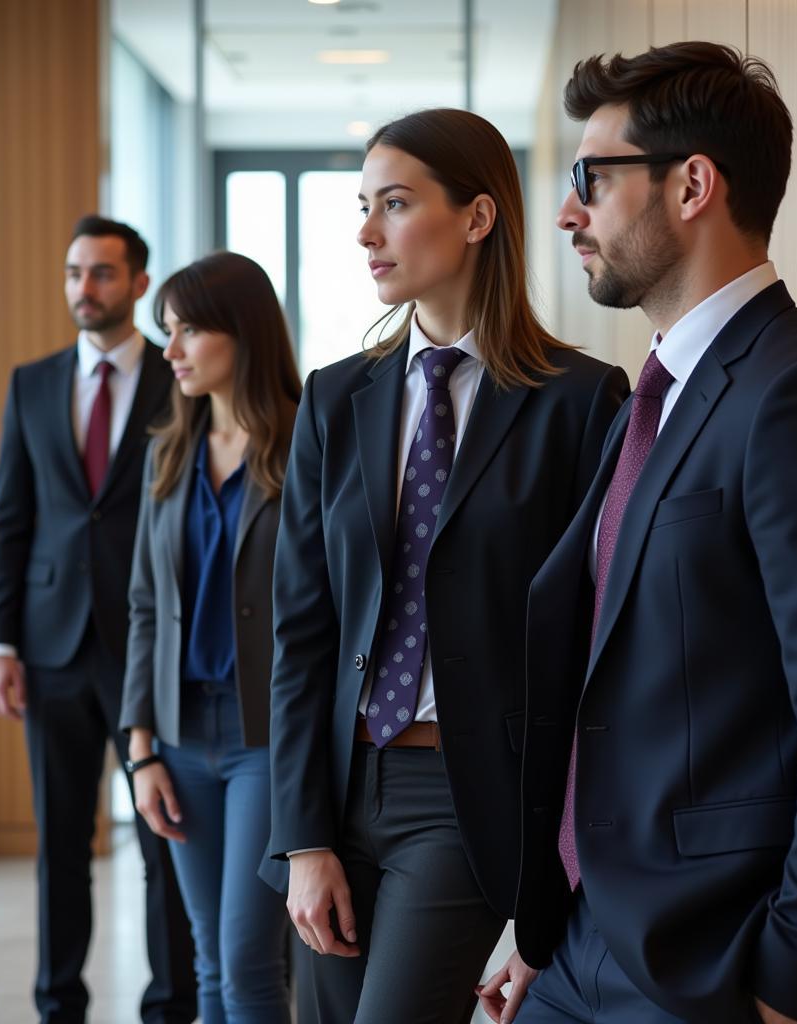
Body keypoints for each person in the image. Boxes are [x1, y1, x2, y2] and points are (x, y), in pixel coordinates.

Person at [479, 43, 797, 1024]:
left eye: (591, 180)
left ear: (691, 185)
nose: (566, 213)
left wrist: (794, 982)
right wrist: (541, 922)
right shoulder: (662, 393)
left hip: (709, 964)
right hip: (582, 942)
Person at [266, 107, 629, 1024]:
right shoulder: (334, 397)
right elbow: (302, 631)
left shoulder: (580, 402)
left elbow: (590, 647)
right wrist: (303, 839)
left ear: (477, 217)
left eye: (394, 203)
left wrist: (558, 877)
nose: (365, 232)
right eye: (363, 205)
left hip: (463, 798)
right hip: (340, 787)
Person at [0, 215, 195, 1023]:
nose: (84, 288)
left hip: (150, 644)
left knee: (161, 838)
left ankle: (170, 1004)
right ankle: (56, 1004)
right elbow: (12, 518)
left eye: (102, 273)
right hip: (49, 645)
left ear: (138, 284)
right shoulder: (31, 383)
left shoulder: (178, 379)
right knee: (59, 844)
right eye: (75, 272)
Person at [120, 251, 301, 1024]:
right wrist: (142, 749)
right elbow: (143, 607)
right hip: (181, 735)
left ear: (243, 332)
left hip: (266, 738)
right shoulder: (168, 452)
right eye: (168, 331)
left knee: (248, 961)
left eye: (188, 330)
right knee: (205, 957)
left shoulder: (304, 450)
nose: (171, 351)